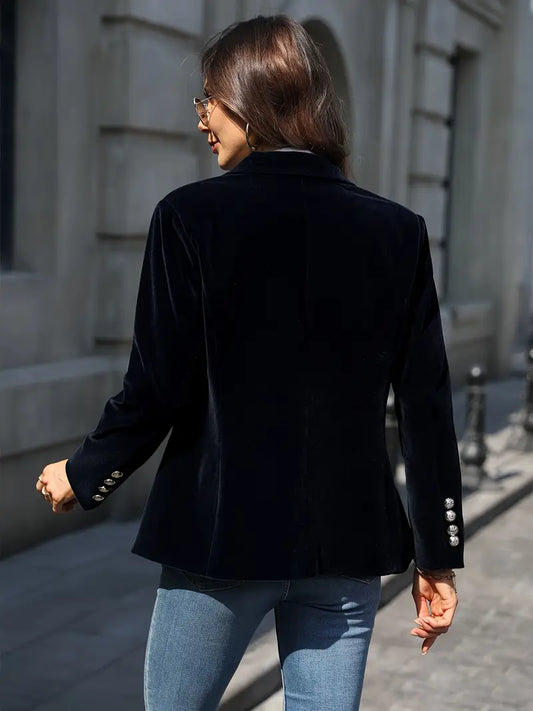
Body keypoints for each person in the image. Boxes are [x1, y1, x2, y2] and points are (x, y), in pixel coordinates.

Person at [35, 14, 463, 711]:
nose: (201, 117)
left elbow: (157, 386)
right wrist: (438, 553)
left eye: (208, 97)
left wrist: (85, 472)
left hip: (220, 540)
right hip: (346, 547)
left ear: (249, 95)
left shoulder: (189, 217)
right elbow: (426, 407)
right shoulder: (397, 231)